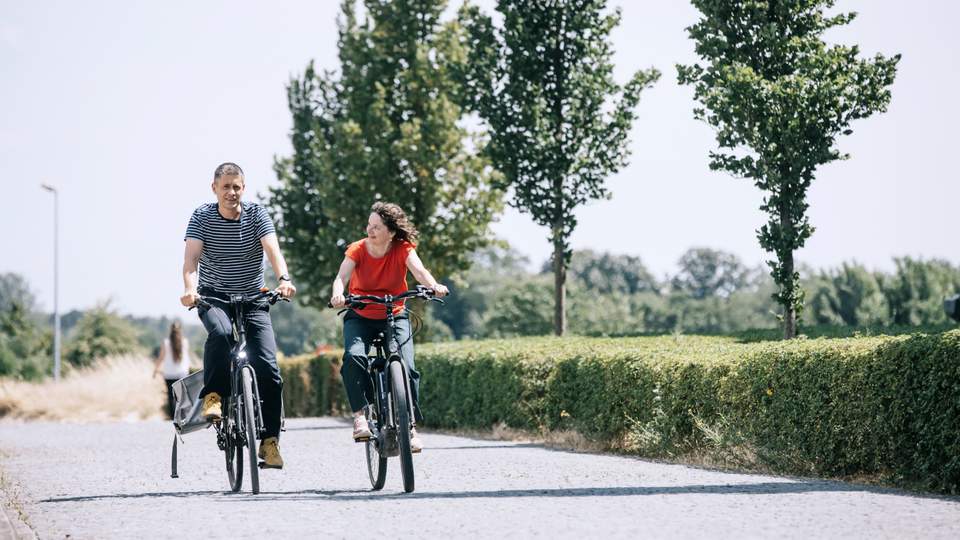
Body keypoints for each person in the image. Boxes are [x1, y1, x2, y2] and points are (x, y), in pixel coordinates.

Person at [180, 162, 296, 469]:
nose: (231, 192)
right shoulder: (202, 217)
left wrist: (283, 279)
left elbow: (273, 251)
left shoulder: (258, 215)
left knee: (269, 368)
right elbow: (191, 261)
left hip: (253, 298)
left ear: (243, 189)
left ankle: (269, 442)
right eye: (226, 186)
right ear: (214, 188)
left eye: (237, 187)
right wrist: (190, 289)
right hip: (214, 296)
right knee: (219, 334)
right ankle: (214, 395)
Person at [329, 202, 449, 453]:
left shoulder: (402, 248)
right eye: (369, 225)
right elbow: (342, 277)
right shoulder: (358, 249)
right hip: (360, 315)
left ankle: (411, 427)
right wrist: (339, 294)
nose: (370, 230)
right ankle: (361, 415)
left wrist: (434, 285)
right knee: (354, 357)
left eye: (376, 227)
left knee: (408, 365)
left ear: (391, 232)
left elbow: (420, 271)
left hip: (394, 314)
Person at [152, 321, 192, 419]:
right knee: (182, 395)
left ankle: (173, 417)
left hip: (169, 373)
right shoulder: (185, 341)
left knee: (171, 396)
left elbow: (161, 357)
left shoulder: (166, 342)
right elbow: (187, 358)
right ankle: (183, 416)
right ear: (180, 330)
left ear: (170, 330)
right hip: (182, 373)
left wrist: (155, 370)